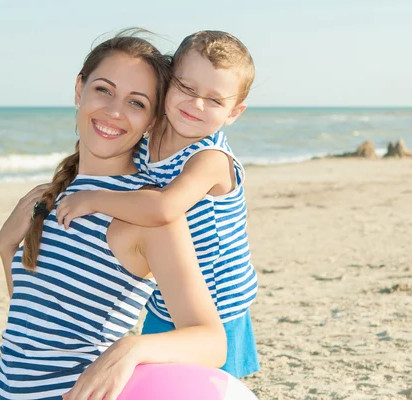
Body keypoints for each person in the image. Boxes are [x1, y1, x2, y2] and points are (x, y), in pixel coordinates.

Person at [0, 30, 226, 400]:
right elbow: (33, 323)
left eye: (137, 103)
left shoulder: (145, 211)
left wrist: (134, 348)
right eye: (104, 89)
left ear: (152, 121)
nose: (115, 111)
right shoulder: (55, 195)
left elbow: (211, 342)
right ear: (78, 89)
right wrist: (7, 247)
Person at [55, 30, 260, 378]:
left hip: (219, 305)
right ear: (168, 85)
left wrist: (95, 199)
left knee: (208, 385)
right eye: (187, 88)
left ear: (233, 112)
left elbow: (164, 208)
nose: (196, 105)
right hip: (163, 297)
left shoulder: (210, 158)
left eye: (214, 100)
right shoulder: (152, 133)